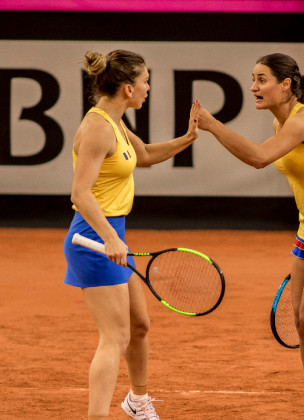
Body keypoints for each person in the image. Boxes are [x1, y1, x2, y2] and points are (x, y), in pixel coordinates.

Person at [195, 53, 304, 420]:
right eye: (253, 79)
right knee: (301, 324)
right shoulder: (282, 125)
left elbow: (259, 158)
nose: (254, 87)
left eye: (261, 80)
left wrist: (213, 126)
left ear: (286, 84)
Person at [63, 49, 199, 420]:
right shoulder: (96, 128)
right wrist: (109, 238)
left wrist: (188, 138)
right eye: (145, 81)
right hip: (93, 239)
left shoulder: (116, 122)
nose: (147, 88)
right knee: (115, 337)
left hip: (112, 234)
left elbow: (145, 156)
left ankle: (137, 402)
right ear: (127, 88)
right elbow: (80, 193)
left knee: (139, 326)